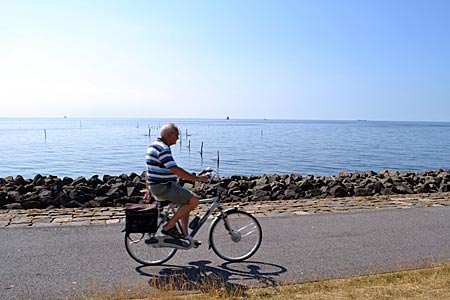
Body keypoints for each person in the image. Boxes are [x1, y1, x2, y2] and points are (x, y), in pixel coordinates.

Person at [145, 123, 208, 239]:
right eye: (177, 135)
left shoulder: (153, 146)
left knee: (186, 201)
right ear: (169, 135)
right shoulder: (163, 149)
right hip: (163, 187)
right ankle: (169, 226)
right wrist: (198, 179)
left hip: (159, 186)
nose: (178, 138)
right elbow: (175, 169)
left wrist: (148, 188)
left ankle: (185, 235)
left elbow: (149, 171)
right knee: (194, 200)